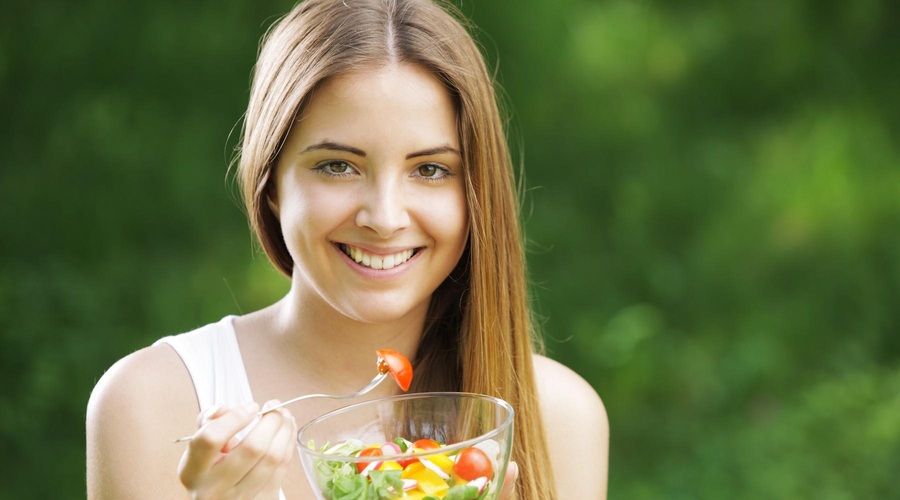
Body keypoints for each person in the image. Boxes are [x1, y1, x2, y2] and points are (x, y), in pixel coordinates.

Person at [86, 0, 608, 498]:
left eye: (429, 170)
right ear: (270, 182)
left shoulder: (558, 418)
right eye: (338, 165)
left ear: (476, 193)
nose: (384, 218)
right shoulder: (151, 404)